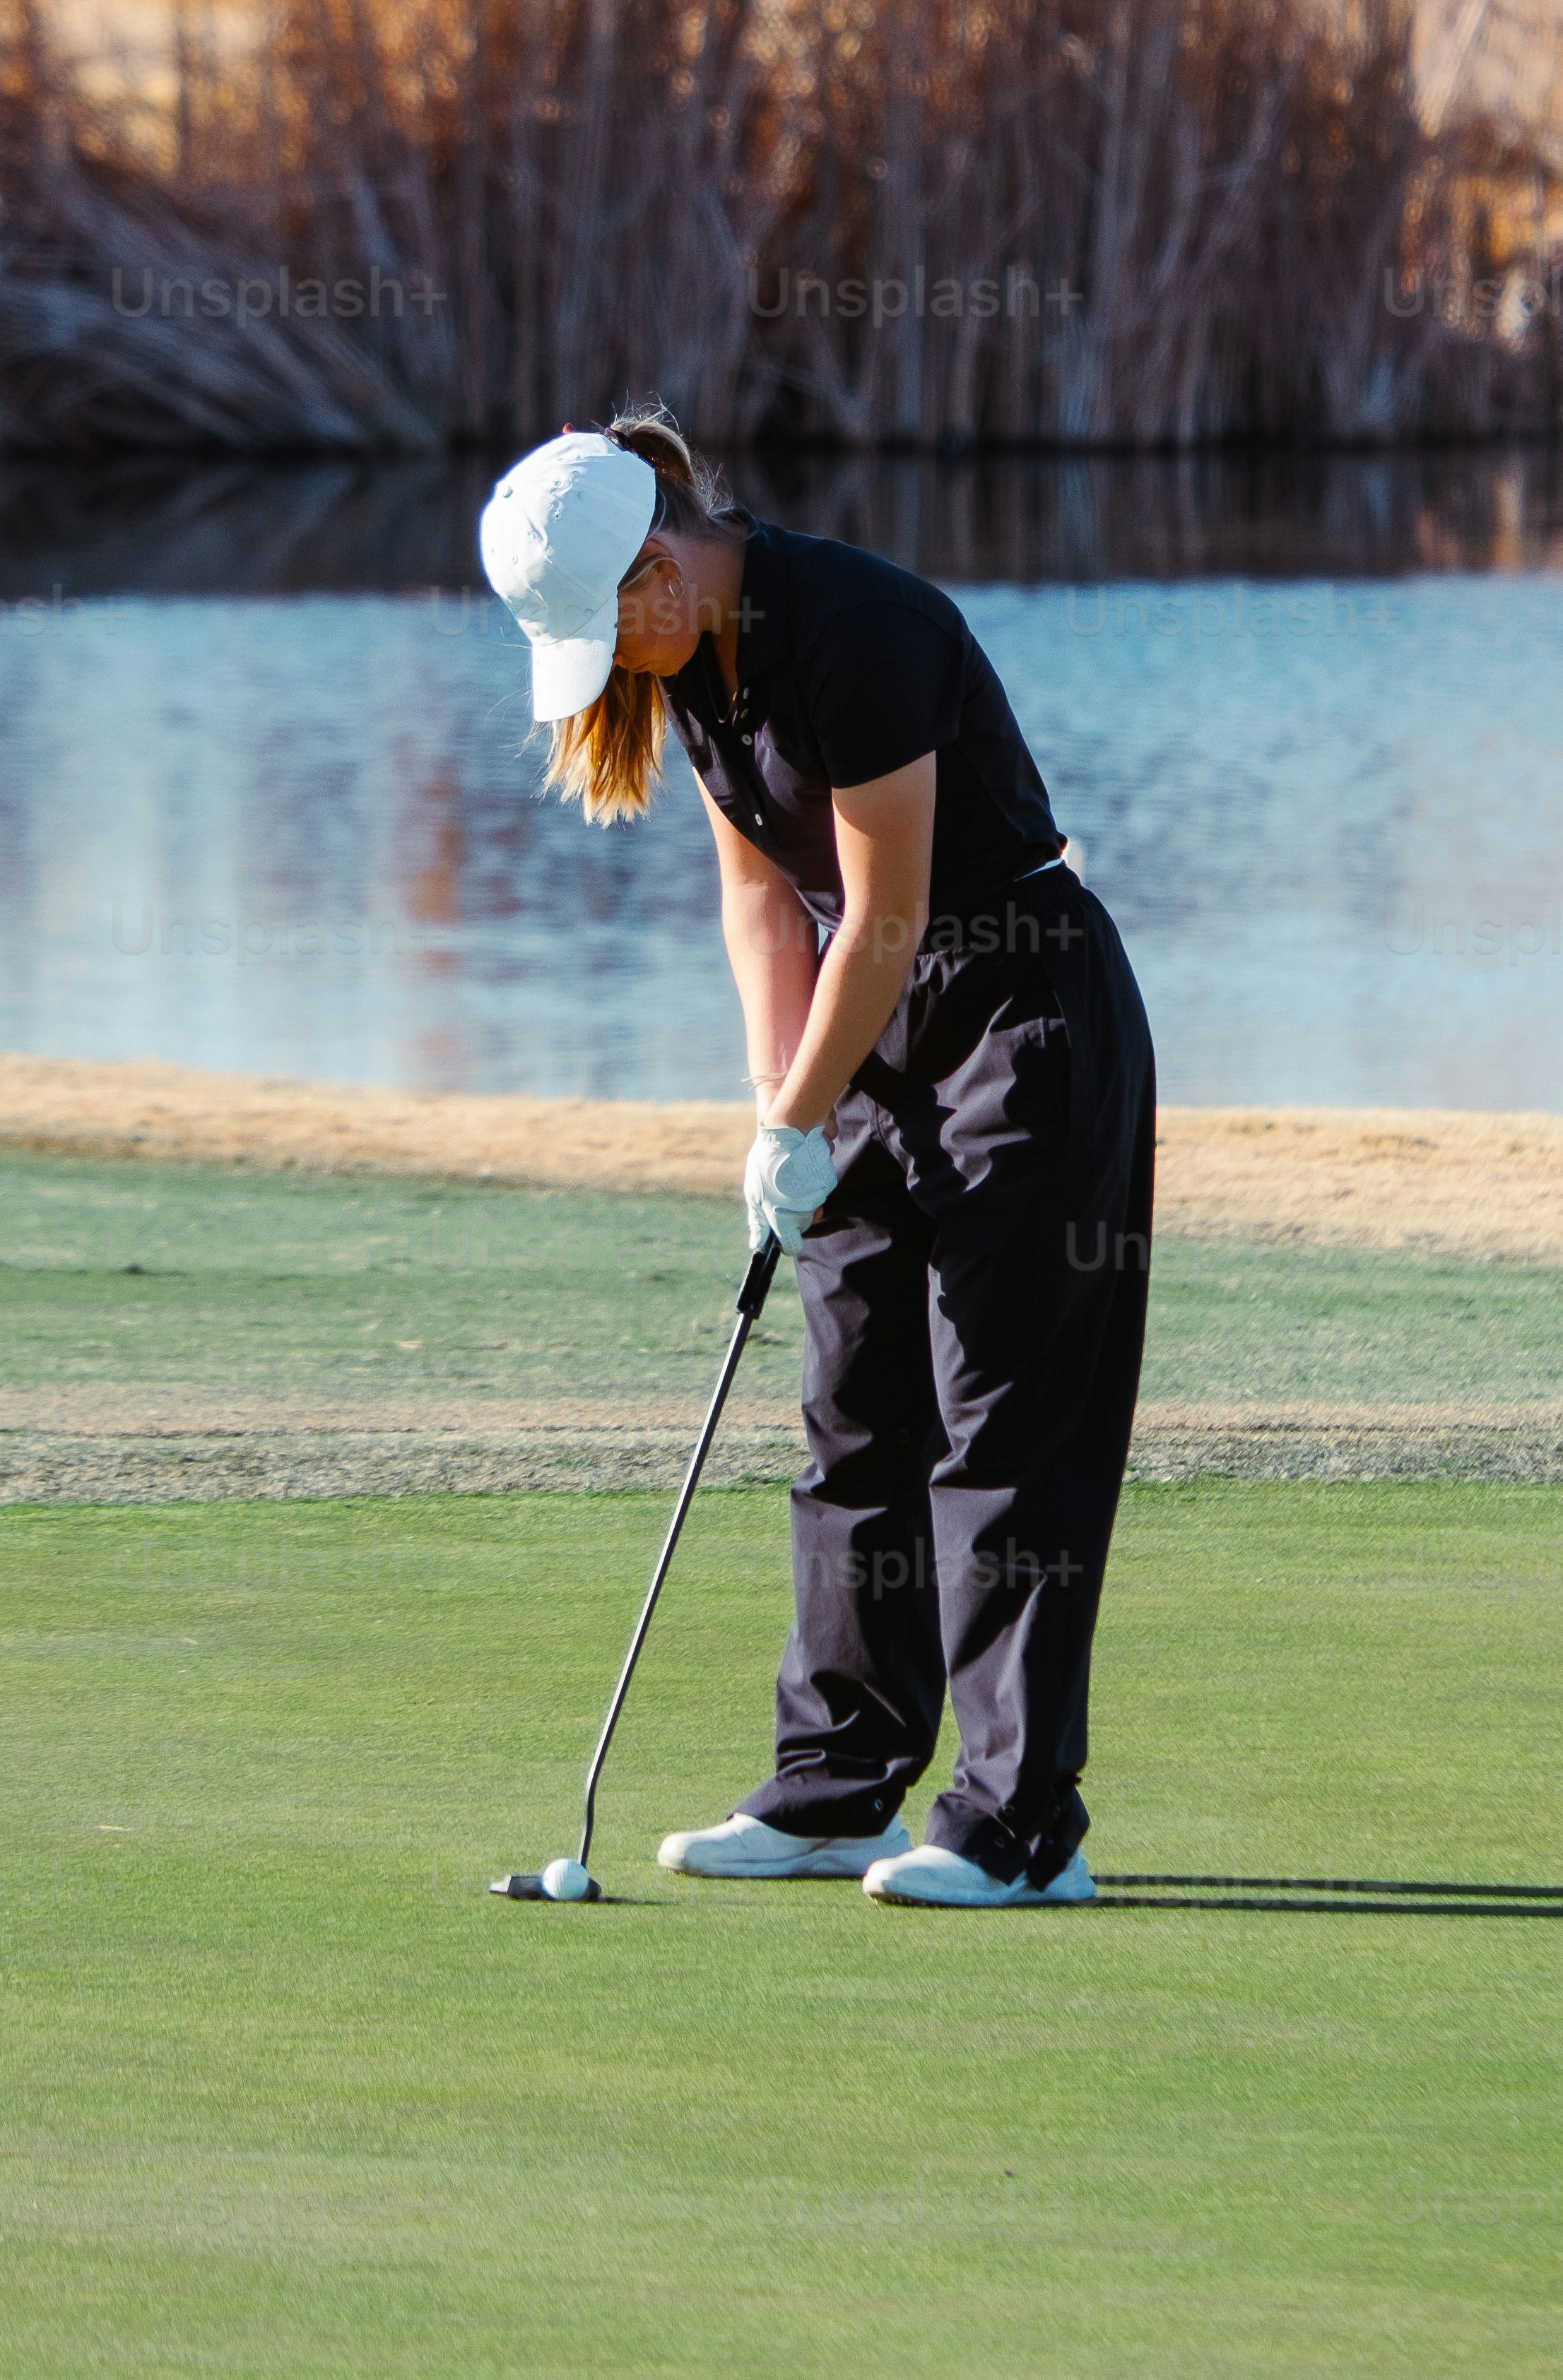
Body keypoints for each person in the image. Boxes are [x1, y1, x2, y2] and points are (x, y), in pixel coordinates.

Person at [478, 402, 1155, 1910]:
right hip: (863, 1029)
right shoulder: (691, 660)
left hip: (1021, 1013)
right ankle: (838, 1784)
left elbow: (892, 912)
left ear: (661, 567)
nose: (611, 668)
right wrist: (774, 1113)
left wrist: (800, 1112)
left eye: (607, 628)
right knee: (853, 1409)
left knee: (998, 1422)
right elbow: (760, 898)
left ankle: (1019, 1824)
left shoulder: (857, 627)